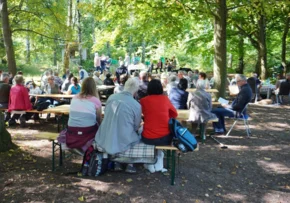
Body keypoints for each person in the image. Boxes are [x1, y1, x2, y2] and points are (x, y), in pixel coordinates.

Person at [95, 78, 142, 173]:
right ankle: (130, 164)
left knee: (119, 132)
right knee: (136, 135)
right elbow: (136, 126)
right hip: (124, 138)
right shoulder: (136, 105)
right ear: (136, 91)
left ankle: (116, 162)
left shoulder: (111, 97)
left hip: (105, 135)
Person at [60, 77, 102, 152]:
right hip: (87, 131)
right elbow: (99, 119)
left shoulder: (75, 98)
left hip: (72, 131)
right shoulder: (96, 100)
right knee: (98, 126)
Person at [141, 79, 177, 145]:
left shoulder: (143, 101)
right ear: (161, 88)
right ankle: (160, 154)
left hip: (148, 138)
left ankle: (158, 154)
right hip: (165, 138)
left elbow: (143, 114)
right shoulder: (165, 99)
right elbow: (174, 114)